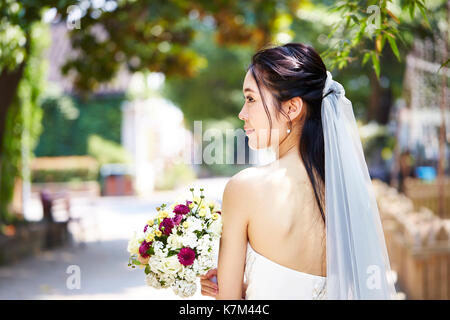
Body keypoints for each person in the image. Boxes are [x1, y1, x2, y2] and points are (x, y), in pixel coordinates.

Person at [201, 43, 397, 300]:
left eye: (250, 99)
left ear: (292, 108)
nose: (242, 113)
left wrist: (228, 288)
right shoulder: (347, 190)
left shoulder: (246, 188)